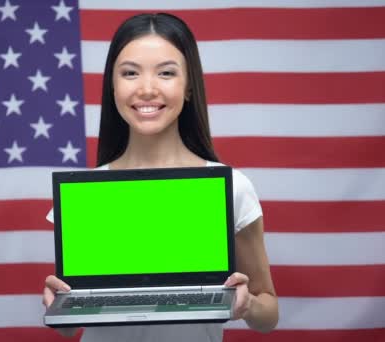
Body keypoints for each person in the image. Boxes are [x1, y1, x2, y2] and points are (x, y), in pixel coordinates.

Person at [43, 13, 278, 342]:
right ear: (112, 86)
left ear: (189, 86)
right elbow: (70, 327)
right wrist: (62, 308)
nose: (147, 89)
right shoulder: (84, 195)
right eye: (130, 73)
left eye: (166, 73)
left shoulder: (234, 187)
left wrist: (247, 302)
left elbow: (268, 314)